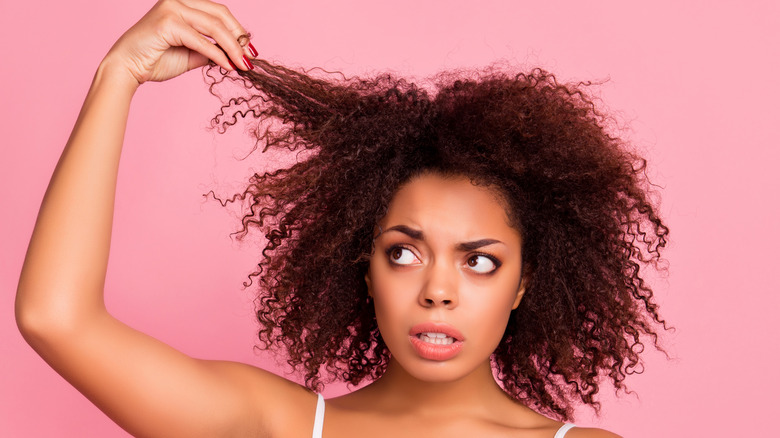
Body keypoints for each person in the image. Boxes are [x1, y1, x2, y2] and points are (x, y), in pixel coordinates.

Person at [15, 1, 668, 437]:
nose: (438, 290)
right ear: (365, 265)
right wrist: (118, 74)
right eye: (405, 253)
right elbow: (55, 318)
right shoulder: (281, 427)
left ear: (524, 284)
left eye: (479, 261)